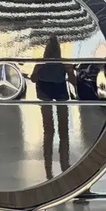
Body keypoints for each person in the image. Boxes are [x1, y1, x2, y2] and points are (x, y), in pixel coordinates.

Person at [31, 36, 75, 179]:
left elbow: (33, 79)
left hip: (45, 90)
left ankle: (49, 170)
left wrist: (38, 71)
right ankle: (63, 164)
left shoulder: (41, 62)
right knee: (63, 127)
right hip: (59, 89)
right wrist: (70, 71)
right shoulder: (63, 62)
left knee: (49, 128)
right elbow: (73, 81)